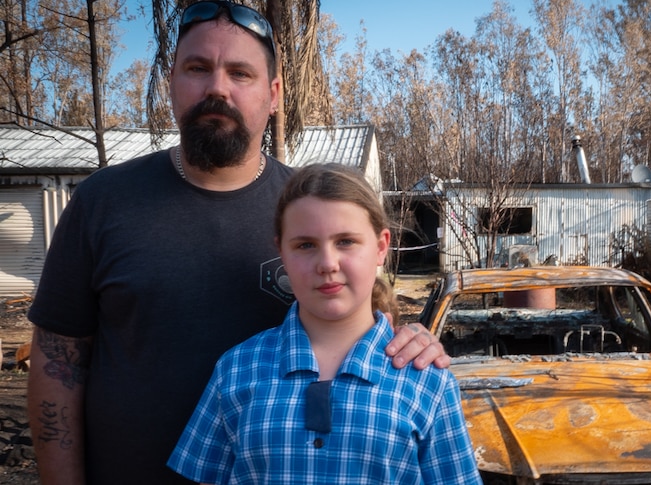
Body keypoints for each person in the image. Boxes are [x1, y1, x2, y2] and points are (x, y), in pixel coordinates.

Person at [25, 2, 448, 485]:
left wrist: (414, 340)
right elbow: (58, 363)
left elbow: (365, 320)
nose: (217, 88)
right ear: (172, 85)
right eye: (197, 68)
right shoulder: (102, 201)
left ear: (273, 96)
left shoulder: (309, 215)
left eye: (240, 73)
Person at [168, 163, 481, 484]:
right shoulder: (235, 370)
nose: (327, 264)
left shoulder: (428, 382)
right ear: (281, 252)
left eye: (345, 241)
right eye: (306, 245)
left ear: (381, 247)